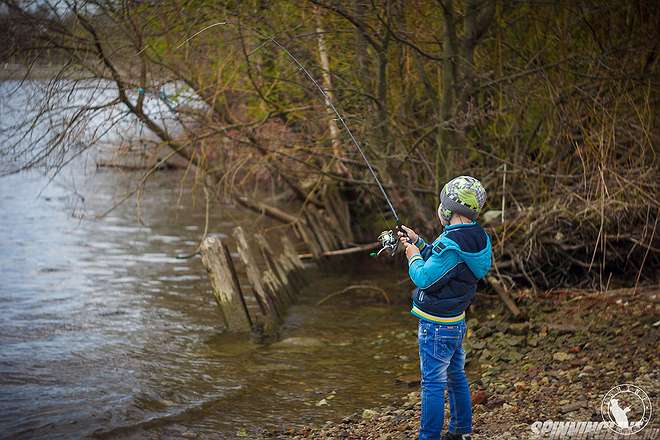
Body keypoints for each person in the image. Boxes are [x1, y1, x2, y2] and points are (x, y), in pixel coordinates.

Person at [398, 176, 492, 440]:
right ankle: (462, 431)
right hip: (456, 321)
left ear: (449, 210)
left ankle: (428, 437)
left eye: (442, 205)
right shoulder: (474, 238)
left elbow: (425, 278)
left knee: (433, 384)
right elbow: (446, 266)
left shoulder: (450, 245)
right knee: (456, 376)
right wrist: (419, 242)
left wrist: (412, 255)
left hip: (436, 326)